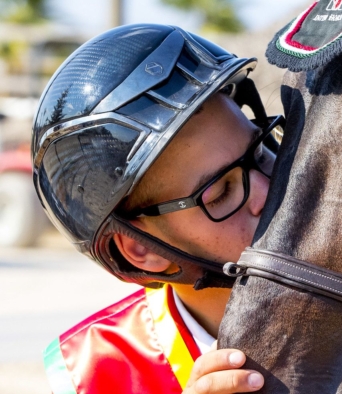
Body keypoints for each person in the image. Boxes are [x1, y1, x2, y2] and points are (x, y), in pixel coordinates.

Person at [33, 24, 275, 394]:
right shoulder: (94, 374)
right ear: (142, 249)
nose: (267, 189)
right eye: (220, 195)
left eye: (260, 152)